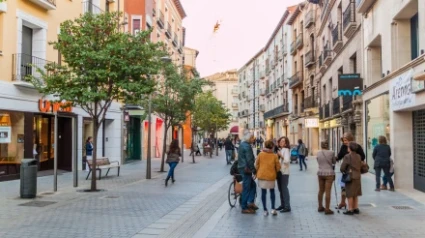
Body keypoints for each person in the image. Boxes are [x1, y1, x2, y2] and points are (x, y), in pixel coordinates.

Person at [336, 132, 365, 209]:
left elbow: (362, 157)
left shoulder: (357, 147)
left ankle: (351, 208)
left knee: (352, 190)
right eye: (344, 140)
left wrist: (354, 161)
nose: (345, 142)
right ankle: (343, 202)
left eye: (346, 140)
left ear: (350, 140)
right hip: (346, 172)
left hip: (353, 172)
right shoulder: (343, 147)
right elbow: (339, 156)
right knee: (343, 187)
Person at [255, 140, 281, 216]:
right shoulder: (274, 155)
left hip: (262, 175)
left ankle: (265, 210)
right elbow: (278, 167)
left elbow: (256, 164)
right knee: (272, 192)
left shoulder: (260, 154)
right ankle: (273, 209)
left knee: (263, 192)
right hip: (271, 176)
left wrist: (257, 172)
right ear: (272, 146)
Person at [237, 129, 258, 214]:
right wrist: (254, 170)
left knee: (253, 185)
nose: (253, 139)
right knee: (246, 188)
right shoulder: (247, 146)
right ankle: (244, 207)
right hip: (246, 170)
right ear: (248, 138)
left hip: (243, 168)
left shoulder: (242, 144)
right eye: (252, 137)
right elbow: (249, 160)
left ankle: (250, 203)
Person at [340, 142, 363, 215]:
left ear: (350, 148)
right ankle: (356, 208)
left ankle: (350, 209)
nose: (347, 148)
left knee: (349, 194)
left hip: (350, 177)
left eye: (348, 147)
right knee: (355, 193)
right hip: (357, 176)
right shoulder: (358, 156)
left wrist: (344, 170)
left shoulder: (347, 156)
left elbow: (342, 168)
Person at [316, 141, 336, 215]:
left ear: (321, 145)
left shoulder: (318, 153)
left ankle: (320, 206)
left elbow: (318, 161)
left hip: (320, 173)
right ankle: (327, 209)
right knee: (328, 191)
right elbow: (334, 162)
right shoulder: (331, 152)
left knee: (321, 190)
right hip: (329, 173)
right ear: (328, 145)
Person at [276, 136, 292, 213]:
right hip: (279, 171)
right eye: (280, 141)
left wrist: (281, 155)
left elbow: (287, 161)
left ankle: (287, 206)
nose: (281, 142)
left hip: (284, 172)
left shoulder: (286, 150)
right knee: (280, 189)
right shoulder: (281, 150)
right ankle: (282, 205)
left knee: (284, 188)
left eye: (283, 141)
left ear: (286, 143)